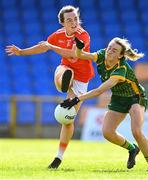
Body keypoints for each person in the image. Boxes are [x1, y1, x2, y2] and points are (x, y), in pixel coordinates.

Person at [5, 5, 94, 169]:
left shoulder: (83, 35)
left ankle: (58, 157)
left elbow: (73, 55)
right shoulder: (57, 35)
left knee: (67, 119)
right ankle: (63, 83)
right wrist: (21, 52)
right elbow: (42, 47)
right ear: (62, 23)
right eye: (69, 20)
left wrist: (52, 47)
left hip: (82, 78)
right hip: (66, 69)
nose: (74, 22)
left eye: (75, 19)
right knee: (64, 70)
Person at [61, 37, 148, 171]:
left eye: (114, 50)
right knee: (107, 132)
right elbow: (81, 55)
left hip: (135, 98)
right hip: (118, 98)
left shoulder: (121, 69)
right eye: (109, 48)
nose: (110, 51)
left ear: (120, 55)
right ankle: (132, 149)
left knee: (136, 131)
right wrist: (79, 48)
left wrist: (77, 99)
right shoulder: (102, 55)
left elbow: (100, 90)